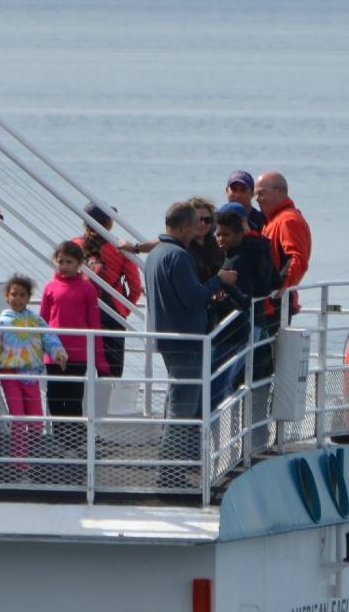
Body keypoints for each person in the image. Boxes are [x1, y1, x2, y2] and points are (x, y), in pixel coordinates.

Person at [145, 202, 237, 487]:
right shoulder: (178, 256)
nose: (200, 228)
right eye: (196, 223)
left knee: (176, 403)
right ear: (184, 226)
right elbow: (195, 298)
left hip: (167, 338)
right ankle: (169, 474)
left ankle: (172, 468)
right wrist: (217, 281)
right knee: (182, 410)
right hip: (186, 340)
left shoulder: (156, 254)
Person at [0, 273, 65, 472]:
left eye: (22, 295)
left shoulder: (37, 321)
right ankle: (20, 464)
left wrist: (58, 352)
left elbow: (50, 339)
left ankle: (24, 451)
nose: (17, 299)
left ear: (29, 297)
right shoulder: (1, 322)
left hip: (31, 374)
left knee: (36, 423)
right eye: (14, 294)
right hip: (10, 374)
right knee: (18, 419)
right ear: (7, 297)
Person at [208, 204, 281, 409]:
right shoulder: (258, 249)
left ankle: (216, 433)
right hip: (252, 325)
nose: (221, 239)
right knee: (229, 380)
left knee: (219, 382)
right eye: (218, 234)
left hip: (235, 330)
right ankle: (227, 432)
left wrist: (216, 299)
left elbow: (242, 296)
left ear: (240, 234)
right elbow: (274, 282)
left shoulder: (236, 261)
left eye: (226, 235)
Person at [41, 240, 107, 425]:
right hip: (54, 353)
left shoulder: (87, 288)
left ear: (79, 264)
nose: (64, 266)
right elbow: (42, 323)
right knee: (53, 397)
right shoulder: (49, 287)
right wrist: (38, 352)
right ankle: (60, 441)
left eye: (69, 262)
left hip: (78, 355)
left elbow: (94, 325)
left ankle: (74, 441)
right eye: (60, 261)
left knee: (73, 399)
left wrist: (100, 363)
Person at [81, 203, 142, 379]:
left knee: (79, 369)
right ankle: (108, 406)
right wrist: (124, 311)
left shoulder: (74, 245)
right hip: (113, 313)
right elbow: (135, 288)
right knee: (111, 373)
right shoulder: (120, 248)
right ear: (107, 223)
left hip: (81, 312)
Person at [256, 170, 312, 321]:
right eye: (256, 194)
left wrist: (280, 290)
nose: (257, 199)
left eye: (261, 193)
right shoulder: (274, 220)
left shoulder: (287, 220)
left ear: (280, 191)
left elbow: (297, 260)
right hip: (269, 304)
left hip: (276, 305)